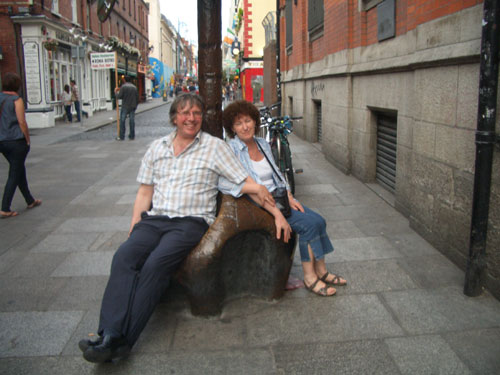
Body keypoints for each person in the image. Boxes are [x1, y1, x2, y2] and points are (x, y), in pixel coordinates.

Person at [79, 93, 274, 363]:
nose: (191, 118)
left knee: (156, 263)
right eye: (184, 113)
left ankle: (122, 339)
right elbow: (145, 191)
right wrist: (135, 224)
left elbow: (243, 180)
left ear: (201, 117)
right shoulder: (157, 147)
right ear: (174, 117)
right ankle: (110, 334)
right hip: (155, 219)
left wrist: (268, 197)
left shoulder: (215, 147)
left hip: (190, 222)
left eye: (196, 113)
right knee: (123, 257)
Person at [222, 100, 347, 297]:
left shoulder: (262, 144)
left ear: (255, 122)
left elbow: (277, 174)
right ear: (232, 128)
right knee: (307, 226)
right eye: (238, 123)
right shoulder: (232, 150)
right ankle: (310, 277)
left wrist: (288, 196)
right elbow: (242, 187)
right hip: (259, 205)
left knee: (318, 220)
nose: (245, 126)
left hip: (278, 198)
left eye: (248, 121)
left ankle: (321, 271)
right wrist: (277, 214)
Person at [0, 73, 41, 218]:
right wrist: (27, 139)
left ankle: (30, 200)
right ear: (16, 85)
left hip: (2, 141)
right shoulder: (16, 100)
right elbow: (22, 122)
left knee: (18, 169)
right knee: (14, 173)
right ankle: (5, 207)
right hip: (16, 141)